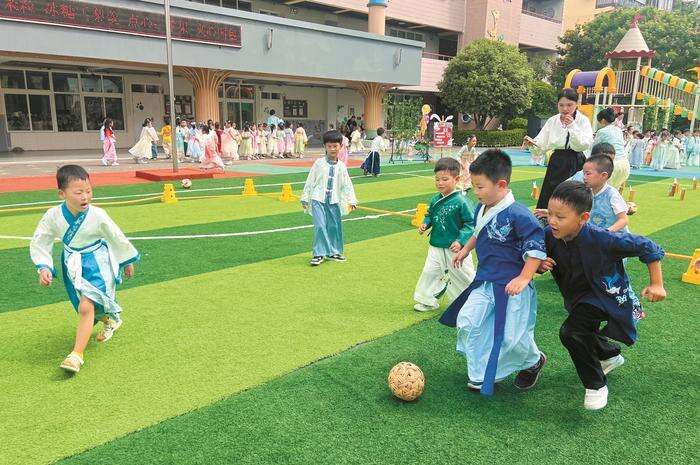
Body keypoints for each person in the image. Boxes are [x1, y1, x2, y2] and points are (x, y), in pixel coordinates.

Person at [540, 181, 666, 409]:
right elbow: (533, 256)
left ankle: (596, 385)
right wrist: (540, 264)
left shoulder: (603, 238)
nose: (552, 221)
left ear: (583, 218)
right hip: (577, 298)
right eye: (550, 214)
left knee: (571, 331)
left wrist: (656, 283)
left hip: (606, 297)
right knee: (582, 329)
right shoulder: (549, 235)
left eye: (560, 216)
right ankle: (609, 356)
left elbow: (648, 246)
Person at [440, 150, 547, 395]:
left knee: (512, 338)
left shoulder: (519, 214)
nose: (475, 193)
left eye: (479, 187)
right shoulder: (482, 208)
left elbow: (535, 247)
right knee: (468, 321)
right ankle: (480, 374)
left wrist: (524, 277)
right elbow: (479, 231)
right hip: (485, 281)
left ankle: (534, 360)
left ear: (501, 184)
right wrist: (466, 249)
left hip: (512, 286)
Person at [30, 165, 139, 373]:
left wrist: (126, 260)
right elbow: (41, 239)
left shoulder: (97, 215)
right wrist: (44, 265)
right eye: (78, 192)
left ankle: (76, 355)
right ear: (62, 193)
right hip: (72, 263)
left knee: (86, 306)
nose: (85, 196)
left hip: (98, 263)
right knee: (85, 305)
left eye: (88, 191)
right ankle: (110, 321)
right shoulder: (53, 215)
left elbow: (115, 235)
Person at [414, 158, 476, 312]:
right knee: (430, 271)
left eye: (445, 179)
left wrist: (461, 241)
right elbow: (430, 214)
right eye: (437, 179)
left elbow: (471, 223)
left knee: (463, 274)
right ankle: (427, 300)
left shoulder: (462, 201)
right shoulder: (435, 199)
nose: (440, 183)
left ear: (457, 179)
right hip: (436, 244)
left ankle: (473, 300)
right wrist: (425, 224)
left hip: (455, 247)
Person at [523, 88, 593, 209]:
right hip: (557, 161)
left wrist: (572, 125)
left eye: (569, 105)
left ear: (576, 104)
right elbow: (542, 144)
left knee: (573, 196)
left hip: (576, 160)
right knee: (551, 193)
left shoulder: (582, 120)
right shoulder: (553, 120)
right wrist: (532, 144)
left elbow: (584, 144)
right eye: (561, 105)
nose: (565, 109)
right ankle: (547, 222)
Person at [300, 130, 358, 267]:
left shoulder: (342, 166)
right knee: (320, 226)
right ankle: (318, 253)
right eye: (329, 146)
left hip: (334, 201)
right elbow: (310, 180)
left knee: (334, 226)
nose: (332, 149)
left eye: (335, 146)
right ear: (325, 147)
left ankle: (334, 252)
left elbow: (347, 184)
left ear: (340, 146)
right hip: (317, 199)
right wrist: (305, 198)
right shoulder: (319, 163)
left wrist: (352, 200)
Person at [594, 108, 628, 189]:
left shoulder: (602, 131)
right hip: (624, 163)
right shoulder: (618, 130)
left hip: (613, 164)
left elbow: (594, 148)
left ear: (602, 120)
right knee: (614, 191)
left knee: (604, 191)